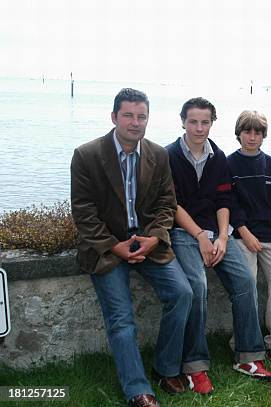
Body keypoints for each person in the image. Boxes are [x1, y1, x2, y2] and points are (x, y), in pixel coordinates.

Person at [71, 88, 192, 407]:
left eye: (142, 116)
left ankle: (166, 368)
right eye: (128, 115)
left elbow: (168, 204)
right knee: (121, 317)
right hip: (107, 248)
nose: (135, 123)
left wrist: (154, 237)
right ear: (114, 117)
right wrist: (115, 246)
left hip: (148, 242)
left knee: (182, 293)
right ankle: (138, 390)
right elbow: (83, 211)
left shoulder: (158, 154)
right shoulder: (86, 155)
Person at [166, 97, 271, 387]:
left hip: (217, 233)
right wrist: (200, 236)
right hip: (183, 233)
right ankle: (194, 365)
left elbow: (224, 200)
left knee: (244, 280)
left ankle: (248, 356)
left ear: (213, 123)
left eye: (205, 122)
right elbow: (172, 205)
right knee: (197, 286)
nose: (199, 128)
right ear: (183, 122)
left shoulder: (218, 157)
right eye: (193, 122)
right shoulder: (169, 156)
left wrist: (224, 237)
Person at [227, 110, 271, 368]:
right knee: (248, 284)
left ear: (263, 136)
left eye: (257, 132)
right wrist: (244, 232)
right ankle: (243, 342)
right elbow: (228, 204)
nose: (252, 137)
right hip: (243, 236)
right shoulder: (228, 165)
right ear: (239, 133)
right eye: (247, 131)